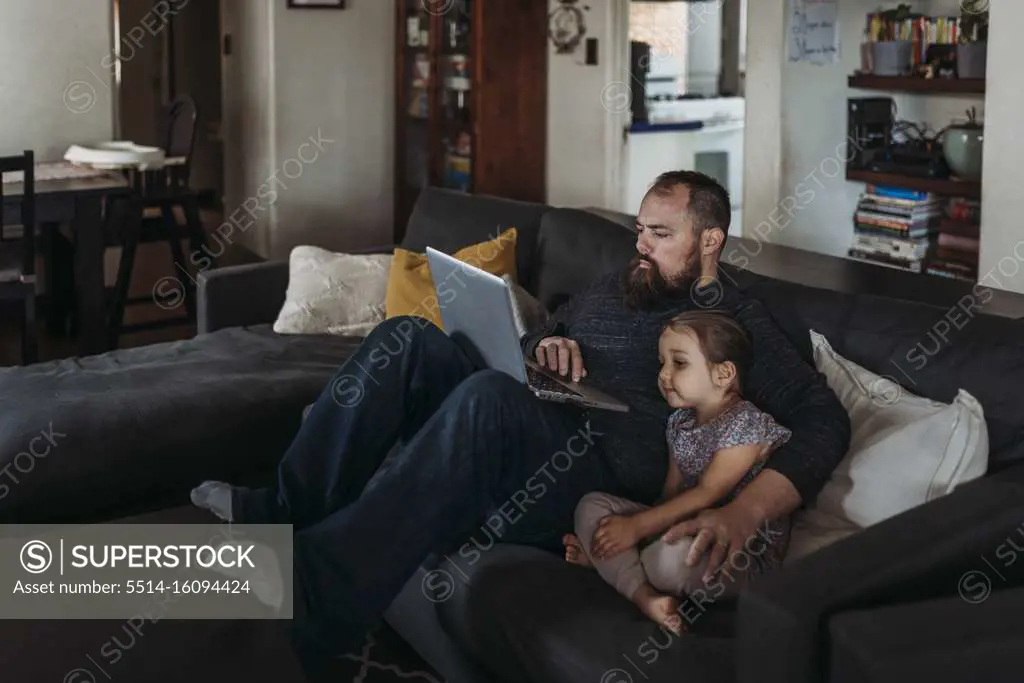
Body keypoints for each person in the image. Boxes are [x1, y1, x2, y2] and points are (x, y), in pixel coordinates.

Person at [189, 170, 851, 675]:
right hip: (539, 419)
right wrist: (544, 348)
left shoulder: (739, 323)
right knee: (408, 338)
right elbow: (548, 327)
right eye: (640, 228)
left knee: (487, 399)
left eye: (661, 234)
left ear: (710, 241)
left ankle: (316, 600)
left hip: (589, 478)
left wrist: (742, 513)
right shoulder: (622, 285)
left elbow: (823, 422)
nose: (641, 246)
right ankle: (279, 507)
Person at [565, 309, 793, 634]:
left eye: (679, 363)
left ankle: (615, 567)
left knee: (670, 561)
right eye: (662, 363)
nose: (664, 374)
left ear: (724, 374)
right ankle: (646, 597)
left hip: (736, 553)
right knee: (592, 506)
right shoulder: (679, 422)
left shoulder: (747, 425)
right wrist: (633, 526)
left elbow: (707, 493)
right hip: (682, 526)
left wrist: (635, 529)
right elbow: (671, 494)